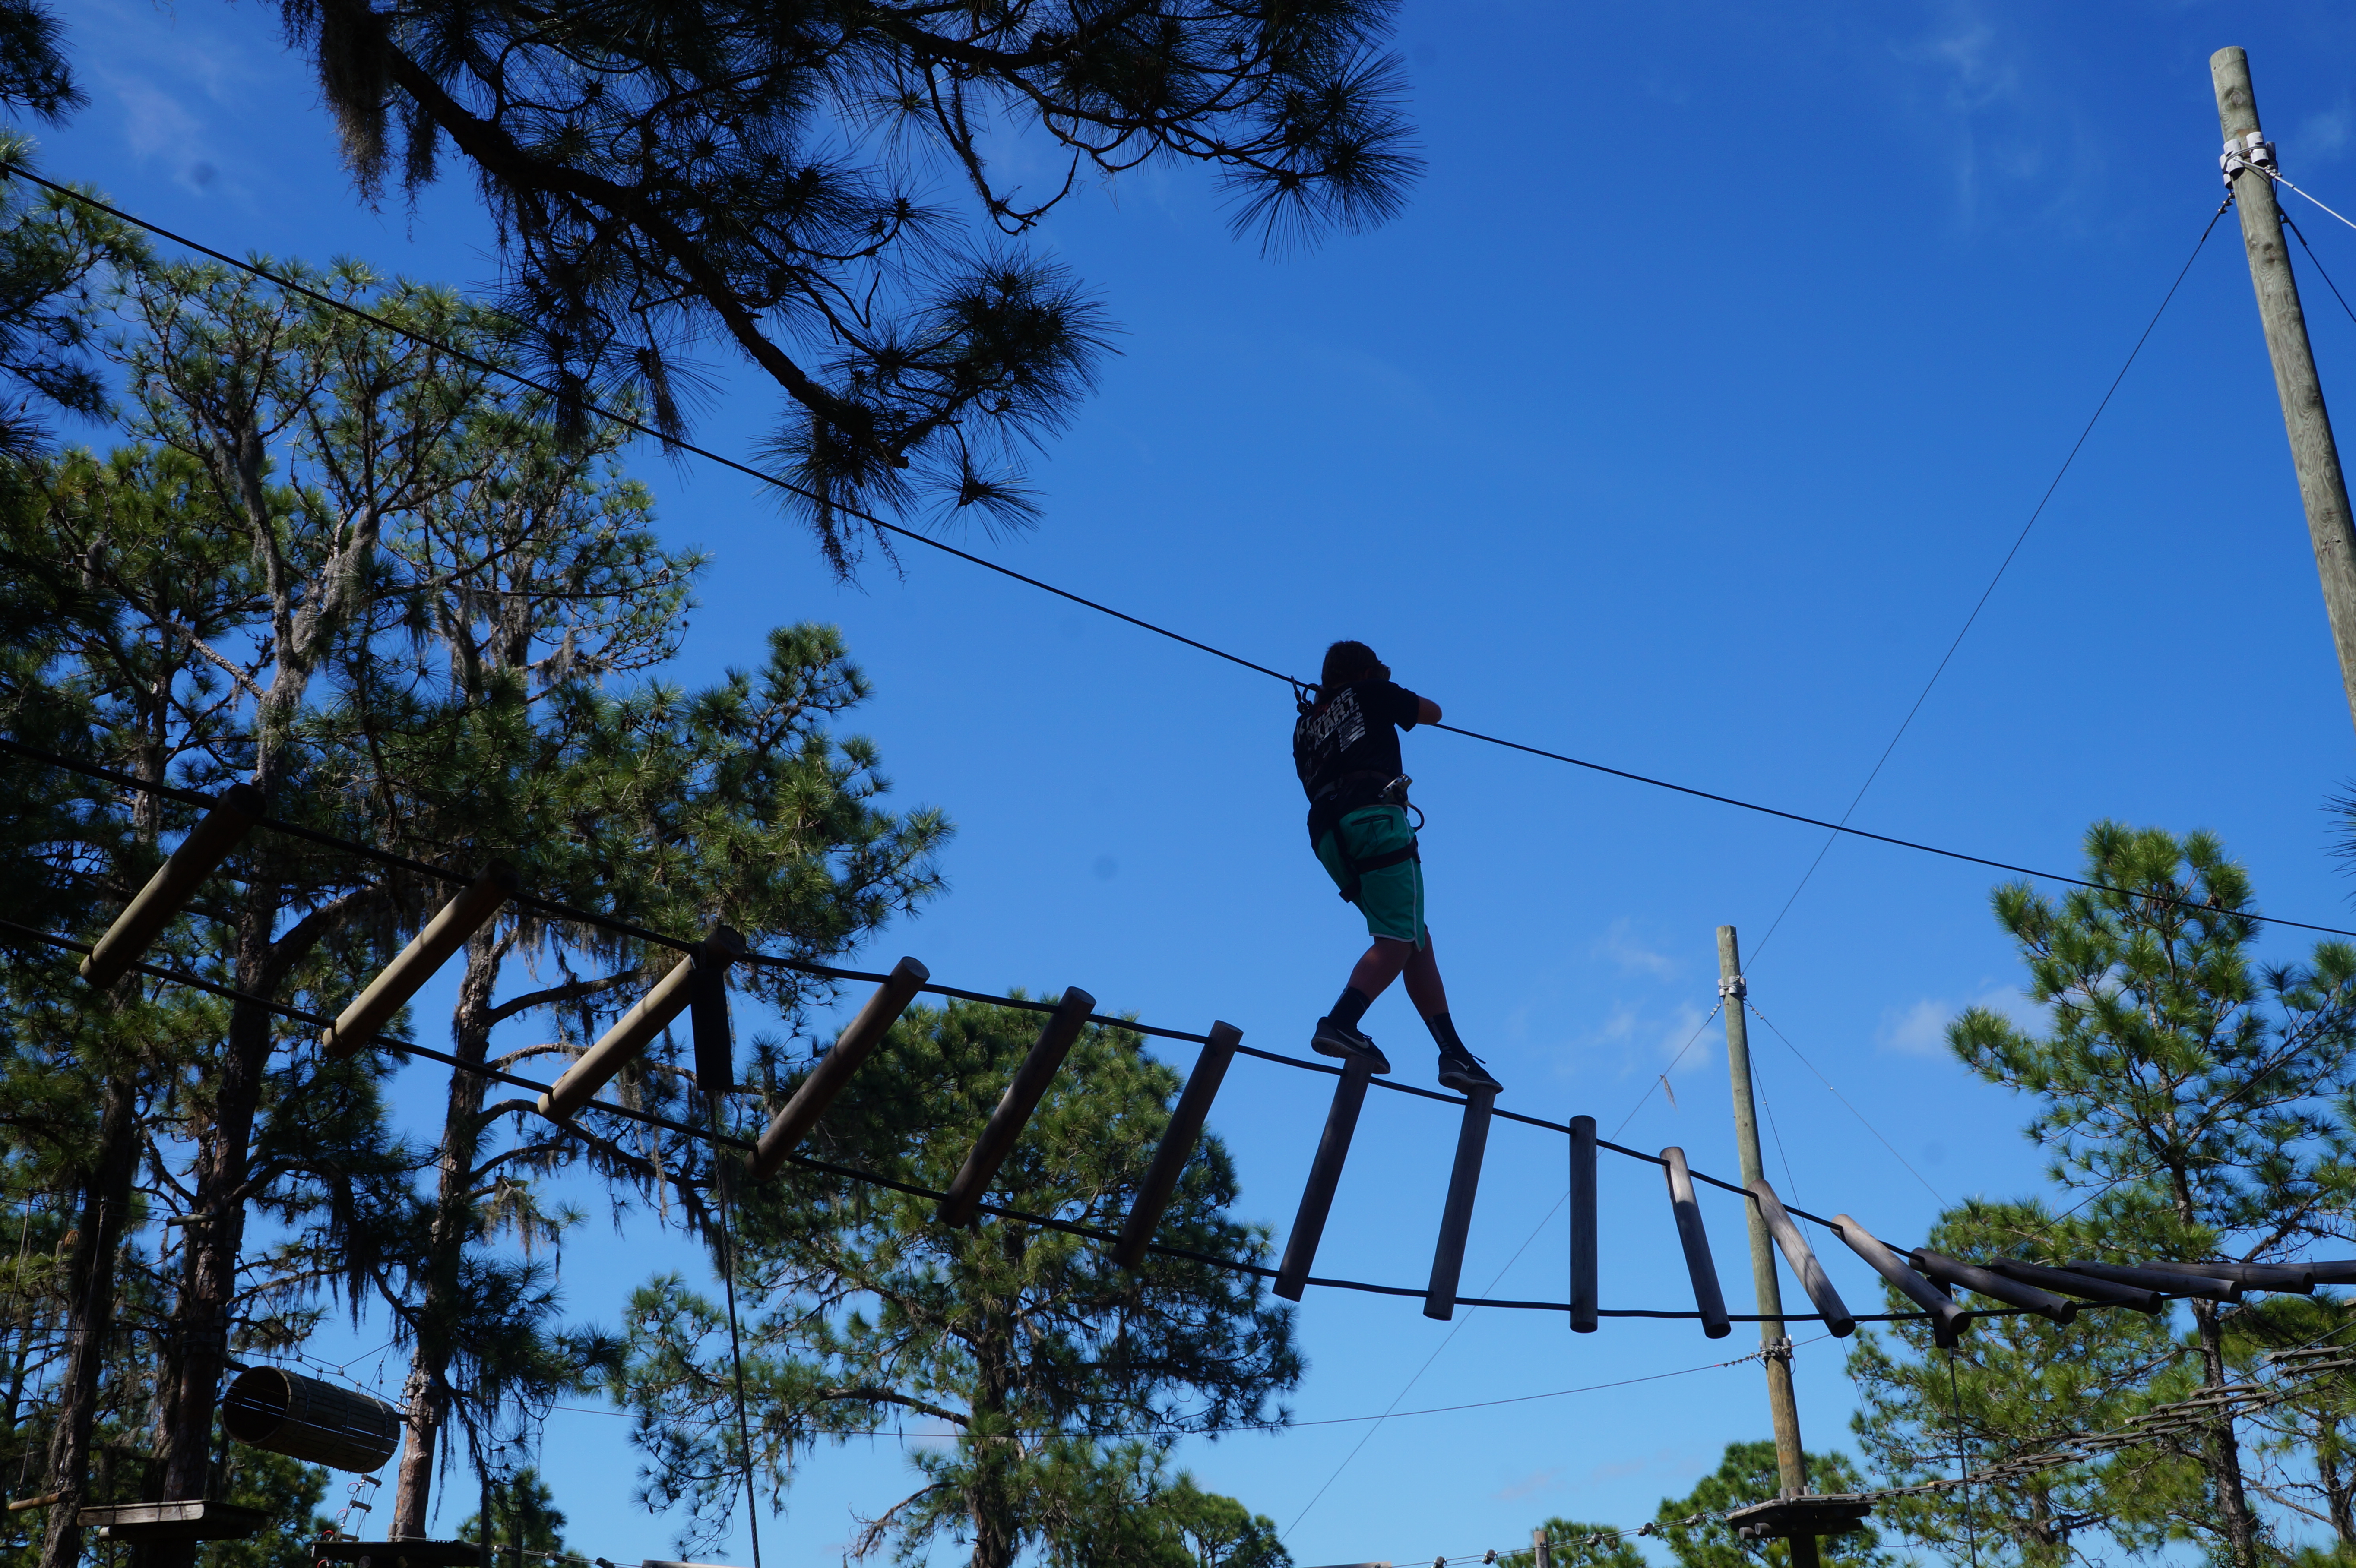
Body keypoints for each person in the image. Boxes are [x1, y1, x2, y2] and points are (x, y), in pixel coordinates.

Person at [1292, 640, 1501, 1094]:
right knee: (1396, 938)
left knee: (1412, 936)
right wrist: (1382, 691)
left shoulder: (1303, 725)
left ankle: (1453, 1052)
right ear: (1366, 672)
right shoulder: (1369, 692)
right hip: (1373, 819)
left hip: (1328, 836)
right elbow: (1432, 711)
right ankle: (1340, 1022)